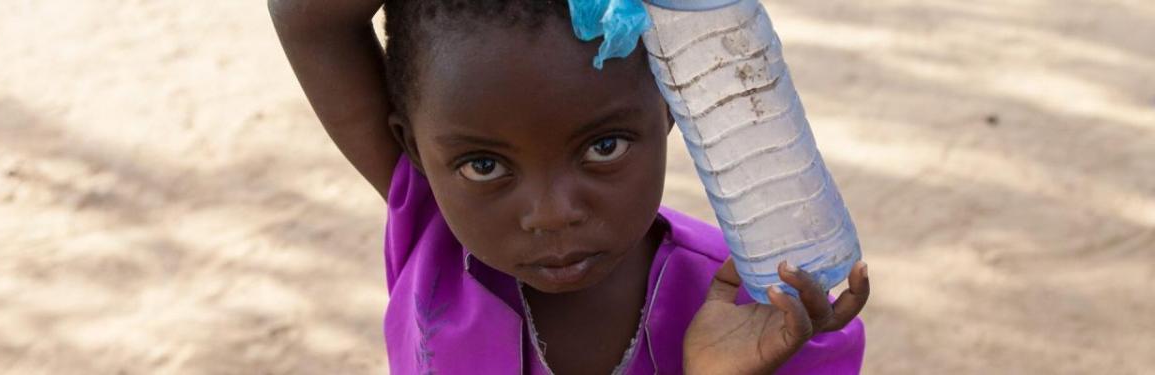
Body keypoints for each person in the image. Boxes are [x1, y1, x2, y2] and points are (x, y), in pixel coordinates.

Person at [269, 0, 870, 373]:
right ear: (414, 148)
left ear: (670, 108)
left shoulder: (768, 317)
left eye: (602, 147)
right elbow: (306, 17)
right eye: (484, 165)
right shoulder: (435, 235)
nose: (552, 214)